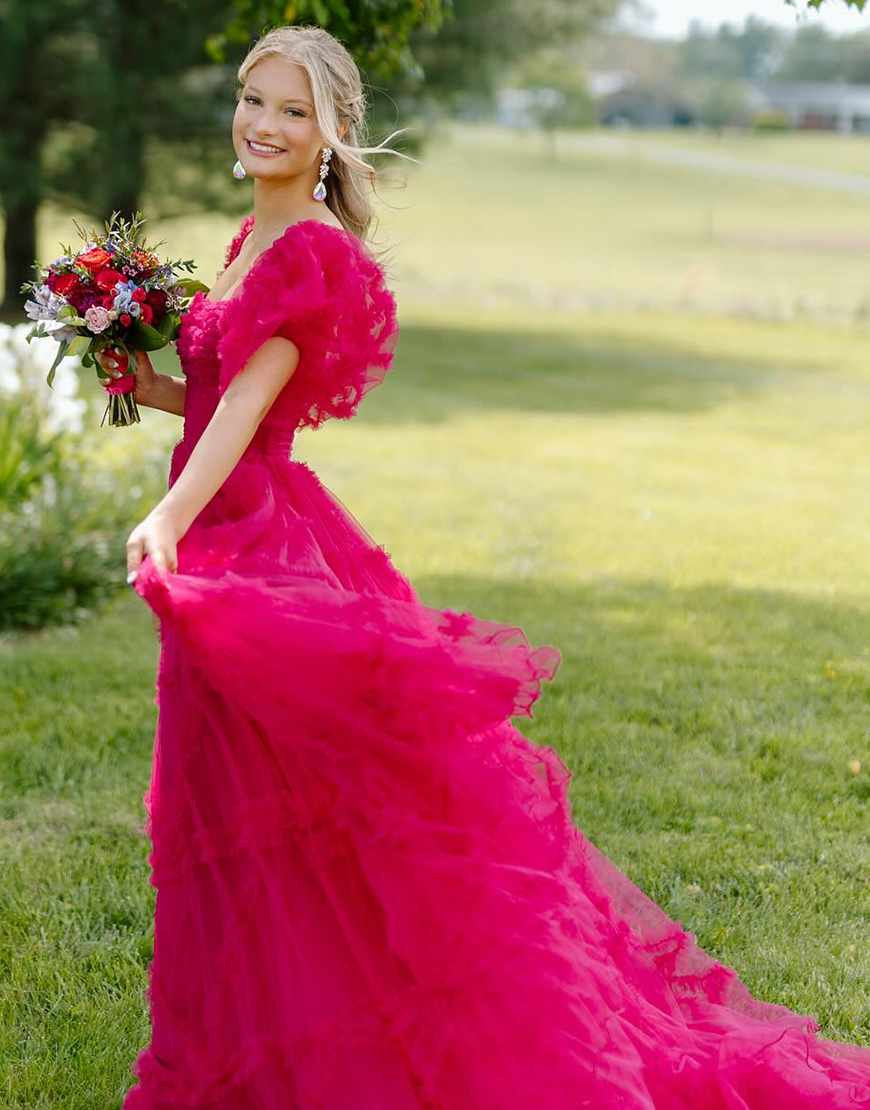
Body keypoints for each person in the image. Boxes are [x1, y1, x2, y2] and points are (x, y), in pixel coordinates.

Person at [113, 23, 870, 1110]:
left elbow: (246, 407)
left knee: (332, 802)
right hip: (225, 525)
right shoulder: (250, 233)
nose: (263, 124)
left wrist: (169, 513)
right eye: (253, 100)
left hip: (257, 541)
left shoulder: (310, 250)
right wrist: (139, 382)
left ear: (332, 132)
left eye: (292, 110)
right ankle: (256, 1039)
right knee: (239, 796)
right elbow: (211, 397)